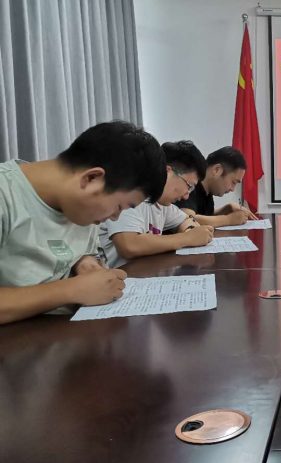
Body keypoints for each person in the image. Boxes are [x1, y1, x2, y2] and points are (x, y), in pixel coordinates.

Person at [0, 121, 166, 325]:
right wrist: (71, 290)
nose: (115, 217)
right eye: (119, 206)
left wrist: (84, 263)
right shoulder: (6, 195)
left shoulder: (82, 208)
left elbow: (79, 251)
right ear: (92, 178)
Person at [98, 140, 214, 268]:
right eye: (189, 186)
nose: (187, 195)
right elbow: (129, 245)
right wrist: (187, 238)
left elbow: (185, 220)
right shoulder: (131, 194)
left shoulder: (162, 204)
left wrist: (190, 231)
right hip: (121, 276)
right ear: (167, 172)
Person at [177, 146, 257, 227]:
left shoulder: (207, 191)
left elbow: (204, 215)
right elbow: (188, 219)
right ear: (217, 170)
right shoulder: (191, 185)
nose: (232, 189)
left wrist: (227, 208)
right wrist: (229, 219)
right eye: (233, 182)